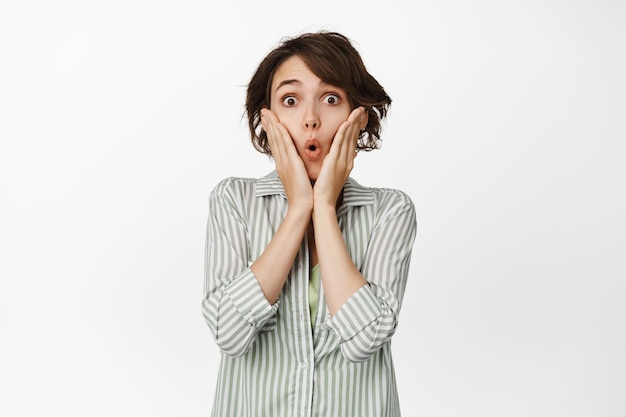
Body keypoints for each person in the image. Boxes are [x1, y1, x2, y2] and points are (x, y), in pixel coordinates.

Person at [202, 31, 417, 417]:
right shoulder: (233, 201)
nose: (311, 119)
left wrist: (324, 208)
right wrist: (299, 206)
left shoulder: (390, 210)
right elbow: (229, 334)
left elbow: (365, 340)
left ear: (358, 116)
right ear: (267, 118)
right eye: (290, 100)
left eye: (331, 98)